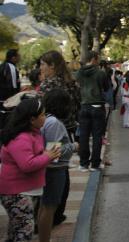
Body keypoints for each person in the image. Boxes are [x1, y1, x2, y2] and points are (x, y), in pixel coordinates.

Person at [0, 98, 61, 242]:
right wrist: (47, 156)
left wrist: (48, 155)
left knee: (16, 230)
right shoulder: (21, 138)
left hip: (23, 191)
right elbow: (27, 165)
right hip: (16, 192)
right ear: (32, 119)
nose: (45, 118)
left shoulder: (33, 134)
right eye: (43, 115)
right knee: (24, 230)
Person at [38, 50, 81, 226]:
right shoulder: (71, 83)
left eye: (43, 64)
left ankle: (50, 213)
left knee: (53, 167)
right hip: (68, 129)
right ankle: (58, 211)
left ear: (52, 66)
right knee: (62, 168)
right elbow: (78, 103)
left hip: (51, 129)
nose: (41, 68)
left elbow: (40, 108)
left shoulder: (48, 85)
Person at [38, 89, 77, 242]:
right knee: (49, 207)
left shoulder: (47, 119)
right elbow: (54, 152)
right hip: (55, 170)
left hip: (49, 169)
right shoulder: (54, 123)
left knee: (45, 206)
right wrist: (73, 146)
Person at [74, 52, 109, 172]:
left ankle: (83, 164)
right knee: (97, 136)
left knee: (83, 136)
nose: (98, 61)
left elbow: (76, 86)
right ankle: (95, 164)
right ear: (94, 59)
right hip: (97, 106)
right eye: (98, 59)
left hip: (84, 106)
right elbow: (107, 87)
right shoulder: (100, 73)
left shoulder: (79, 73)